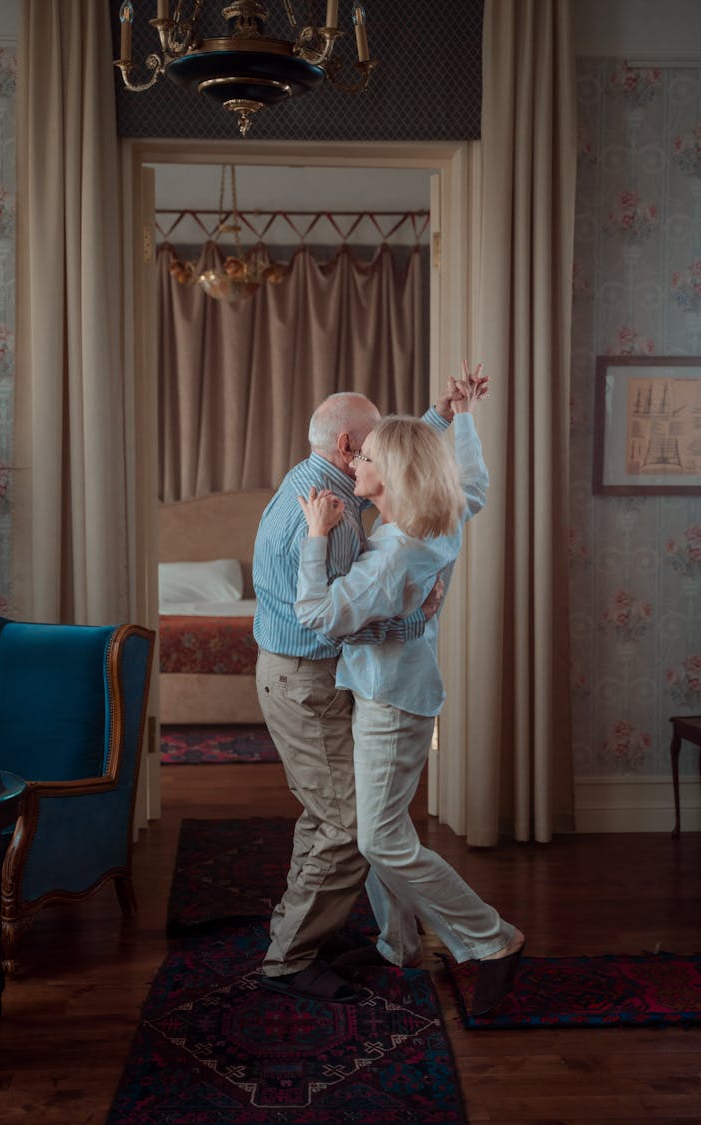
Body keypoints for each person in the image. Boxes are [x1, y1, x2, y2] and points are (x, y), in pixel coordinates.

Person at [293, 370, 525, 1016]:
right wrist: (457, 416)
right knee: (379, 826)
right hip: (402, 691)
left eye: (366, 456)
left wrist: (316, 536)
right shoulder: (438, 517)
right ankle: (399, 945)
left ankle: (491, 938)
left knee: (380, 839)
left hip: (391, 703)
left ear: (390, 476)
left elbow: (318, 613)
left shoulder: (393, 556)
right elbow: (469, 482)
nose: (354, 458)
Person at [253, 381, 462, 1003]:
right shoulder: (332, 521)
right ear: (347, 447)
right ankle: (288, 959)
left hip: (298, 674)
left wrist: (440, 417)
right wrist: (415, 620)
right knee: (348, 825)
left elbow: (395, 461)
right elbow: (330, 615)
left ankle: (303, 931)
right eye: (369, 445)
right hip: (307, 678)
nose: (375, 453)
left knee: (329, 814)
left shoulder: (317, 478)